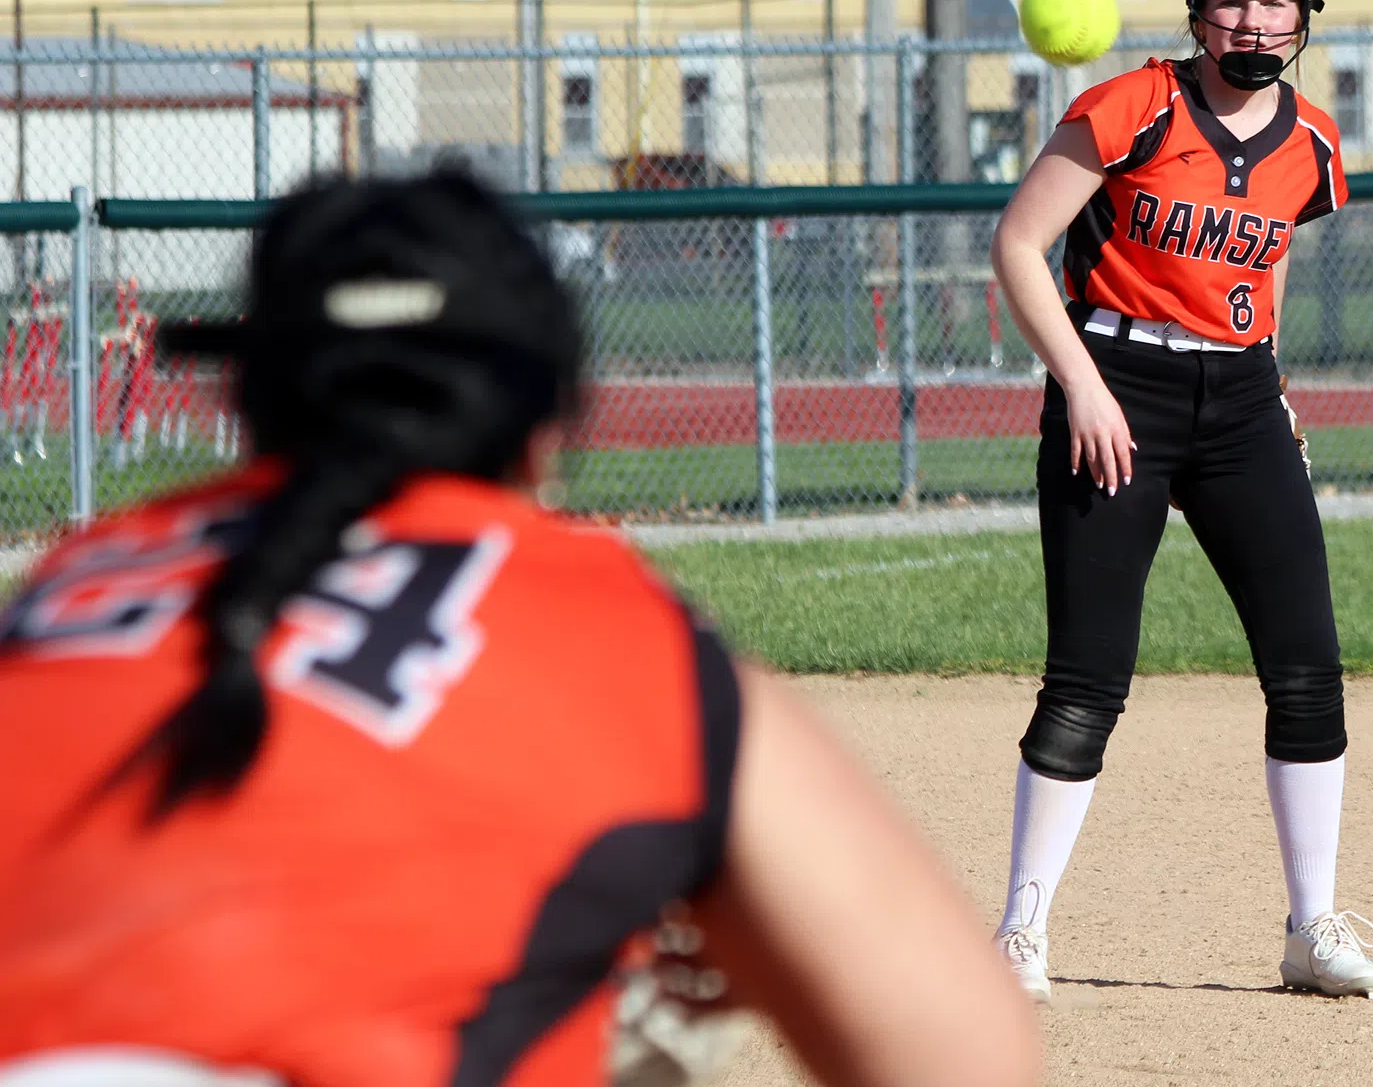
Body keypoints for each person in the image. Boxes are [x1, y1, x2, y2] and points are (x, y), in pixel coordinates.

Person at [0, 169, 1042, 1087]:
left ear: (248, 402)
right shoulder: (604, 623)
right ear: (546, 429)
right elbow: (966, 1058)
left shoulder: (66, 581)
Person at [985, 0, 1373, 1003]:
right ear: (1198, 11)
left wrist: (1276, 387)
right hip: (1117, 384)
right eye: (1232, 3)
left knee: (1306, 666)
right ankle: (1021, 931)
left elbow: (1268, 263)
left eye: (1275, 7)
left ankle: (1312, 929)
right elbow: (1019, 244)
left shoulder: (1314, 140)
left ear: (1301, 21)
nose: (1253, 24)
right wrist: (1081, 387)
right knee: (1088, 675)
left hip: (1242, 401)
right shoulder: (1133, 107)